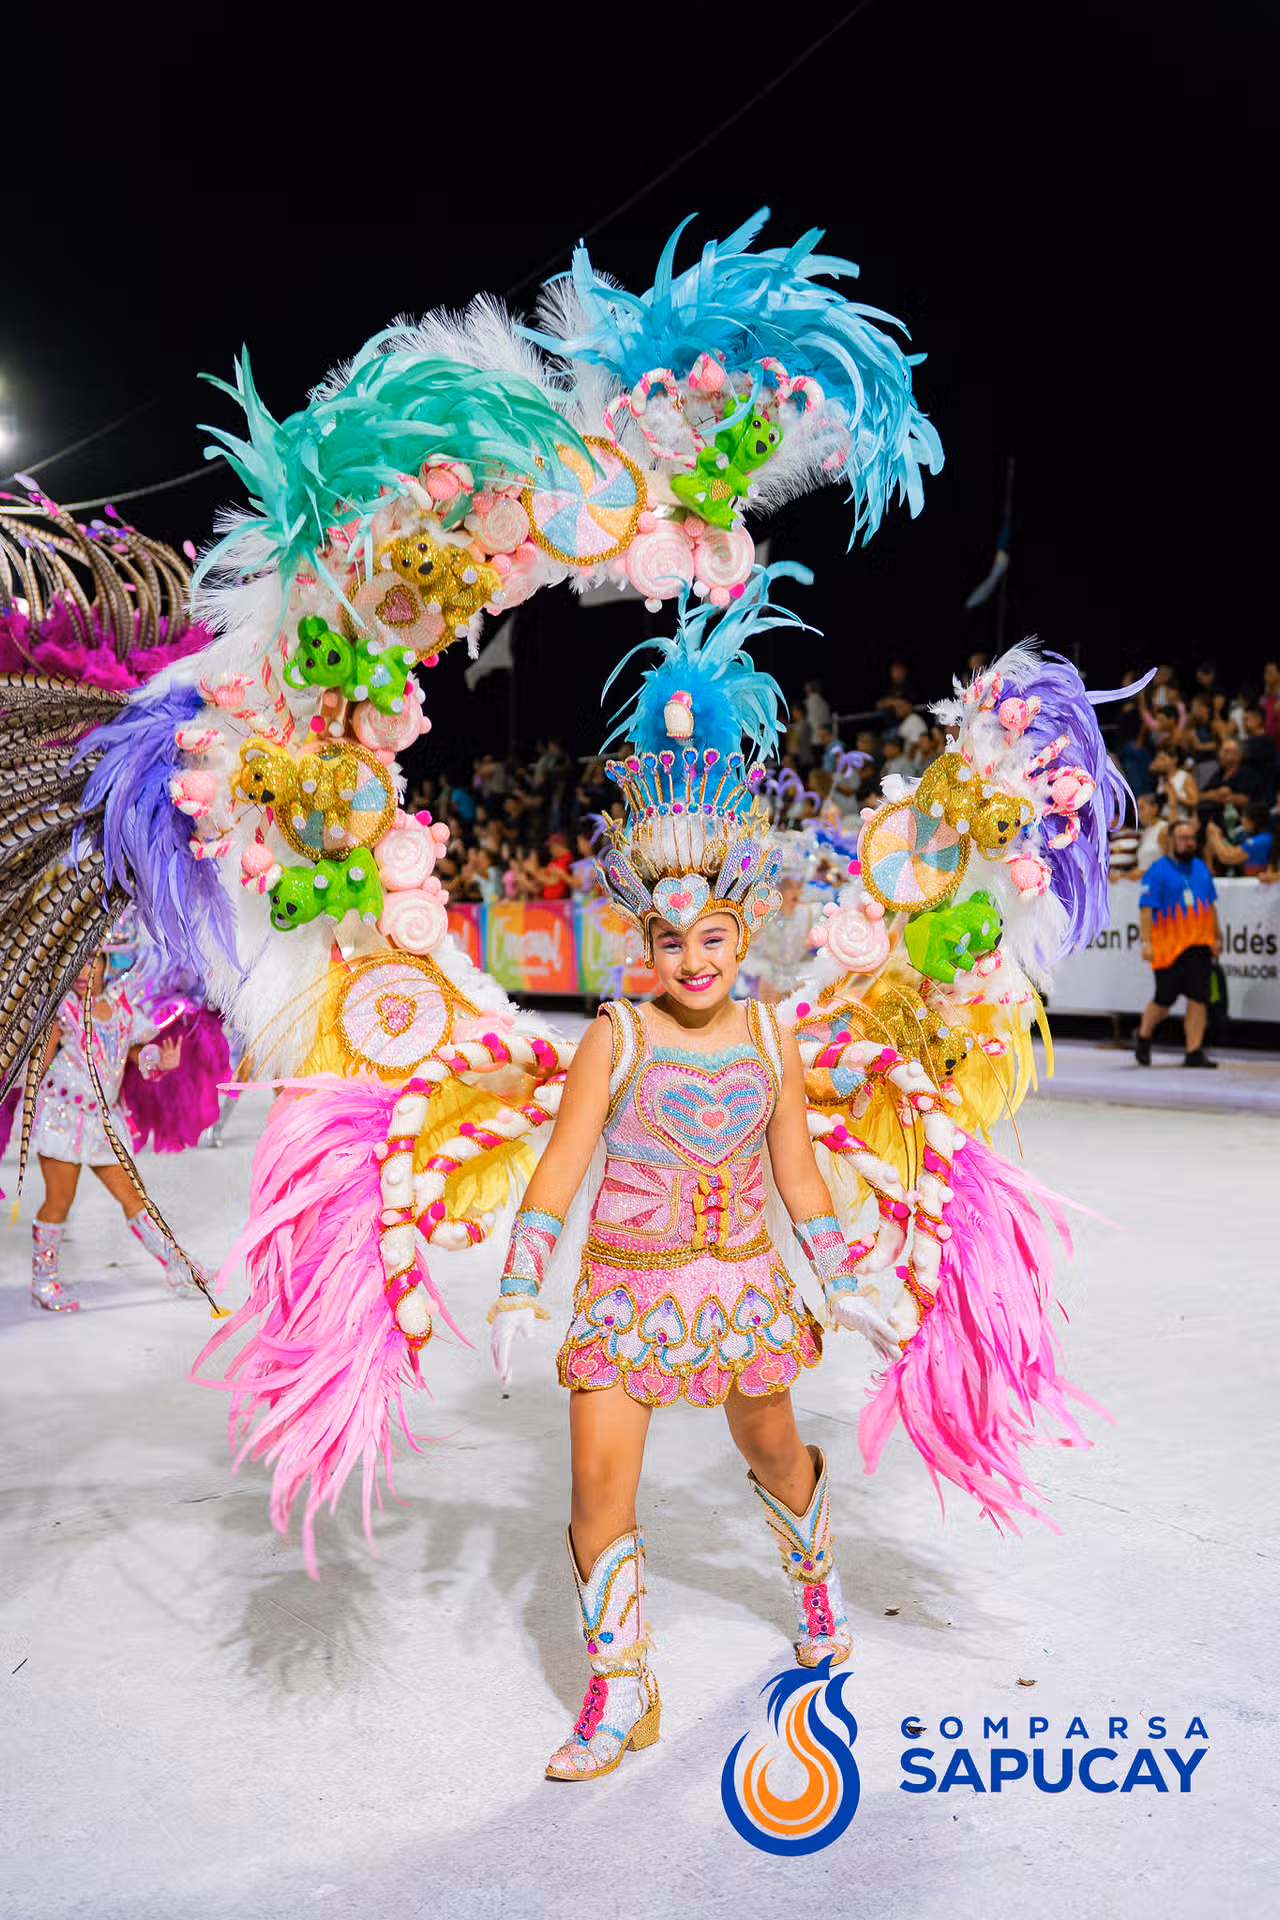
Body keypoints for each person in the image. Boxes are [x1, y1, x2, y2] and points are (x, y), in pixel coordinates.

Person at [30, 956, 209, 1310]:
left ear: (106, 964)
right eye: (75, 964)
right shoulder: (62, 1008)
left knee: (134, 1197)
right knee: (59, 1201)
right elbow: (38, 1065)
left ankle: (177, 1265)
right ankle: (43, 1282)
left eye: (91, 962)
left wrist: (157, 1060)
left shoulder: (122, 1005)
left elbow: (138, 1055)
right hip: (62, 1117)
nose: (83, 972)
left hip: (102, 1122)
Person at [1134, 818, 1222, 1069]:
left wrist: (1217, 936)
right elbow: (1146, 910)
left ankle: (1194, 1052)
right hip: (1168, 948)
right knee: (1164, 1000)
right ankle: (1143, 1035)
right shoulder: (1157, 871)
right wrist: (1146, 942)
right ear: (1171, 841)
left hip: (1199, 943)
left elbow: (1211, 905)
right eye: (1183, 838)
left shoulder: (1202, 869)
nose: (1189, 842)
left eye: (1192, 838)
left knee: (1198, 998)